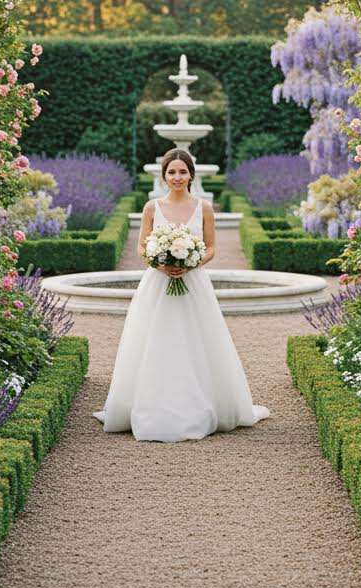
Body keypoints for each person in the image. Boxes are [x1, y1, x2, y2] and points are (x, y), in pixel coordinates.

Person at [93, 147, 270, 442]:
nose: (177, 177)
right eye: (172, 172)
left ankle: (199, 405)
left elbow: (211, 247)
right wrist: (159, 263)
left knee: (196, 340)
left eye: (182, 171)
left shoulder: (204, 208)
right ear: (164, 176)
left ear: (191, 175)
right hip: (157, 284)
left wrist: (192, 262)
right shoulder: (152, 207)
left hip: (194, 284)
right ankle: (149, 406)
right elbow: (140, 247)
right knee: (155, 340)